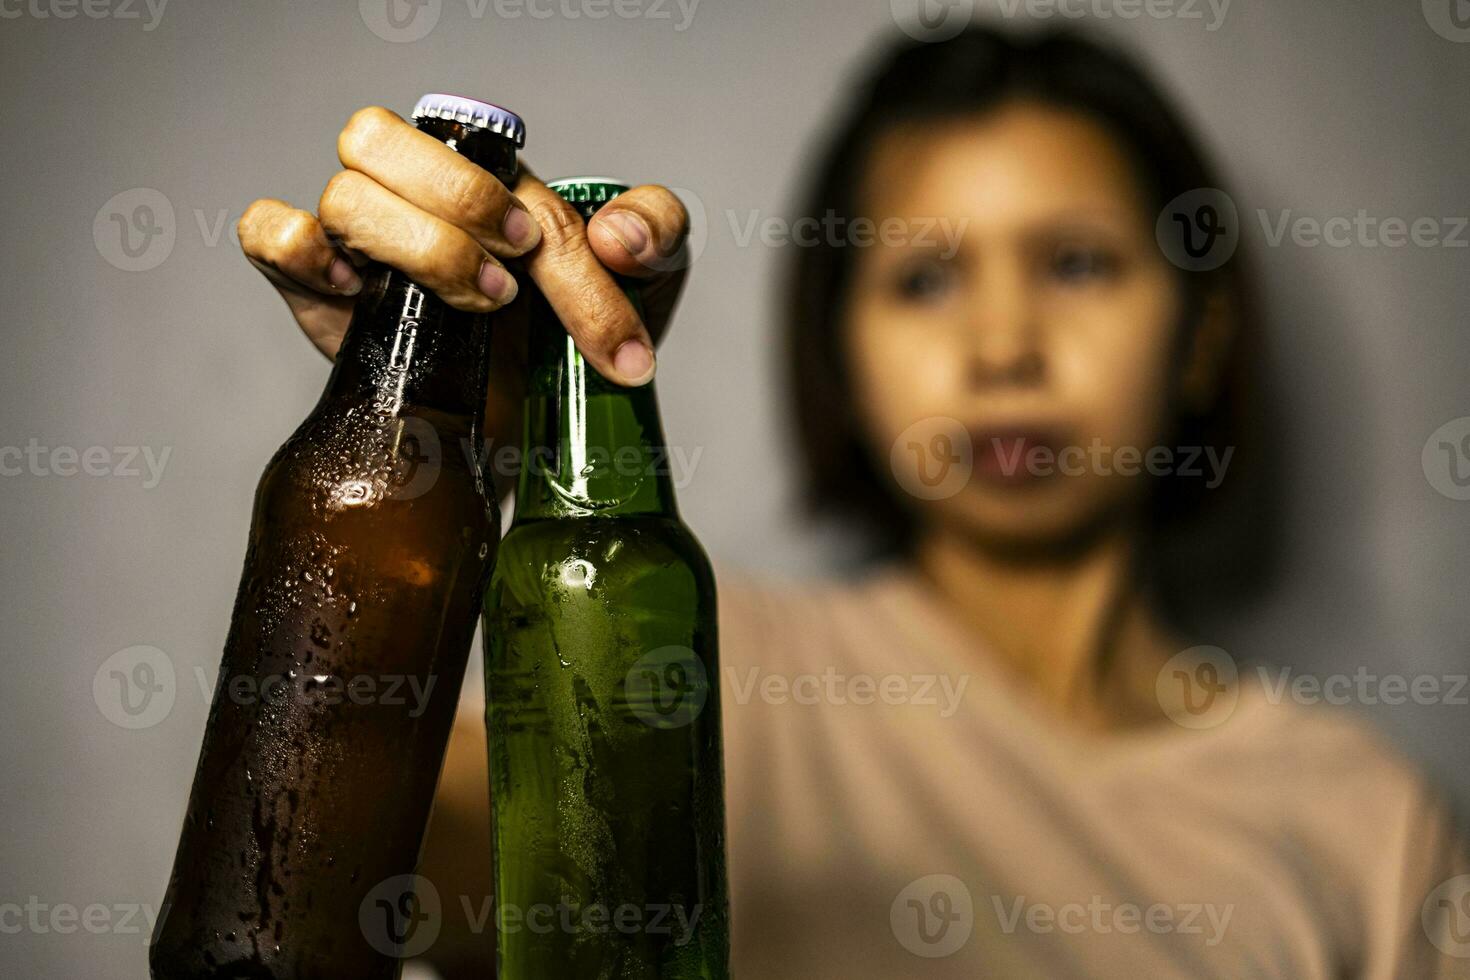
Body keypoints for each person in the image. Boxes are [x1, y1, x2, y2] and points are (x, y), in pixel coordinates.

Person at [235, 25, 1469, 980]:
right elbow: (305, 884)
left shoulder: (1367, 824)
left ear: (1201, 334)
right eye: (927, 277)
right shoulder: (679, 669)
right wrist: (448, 444)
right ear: (841, 354)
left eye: (1078, 262)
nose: (1002, 345)